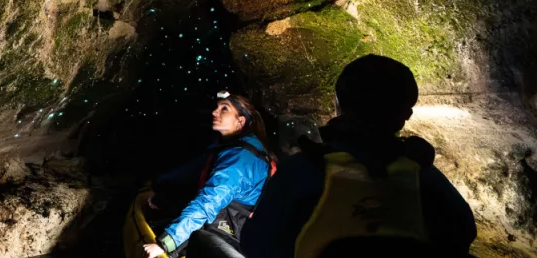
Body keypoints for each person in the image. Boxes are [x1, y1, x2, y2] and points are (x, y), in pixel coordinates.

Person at [240, 54, 477, 258]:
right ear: (404, 115)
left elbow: (256, 244)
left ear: (339, 104)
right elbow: (463, 233)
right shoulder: (422, 174)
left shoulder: (302, 170)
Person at [142, 92, 274, 258]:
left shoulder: (241, 159)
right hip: (223, 220)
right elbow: (192, 170)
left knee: (188, 236)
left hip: (229, 234)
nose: (214, 112)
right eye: (216, 107)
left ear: (240, 121)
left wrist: (165, 243)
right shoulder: (229, 147)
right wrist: (159, 185)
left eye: (224, 109)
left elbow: (208, 202)